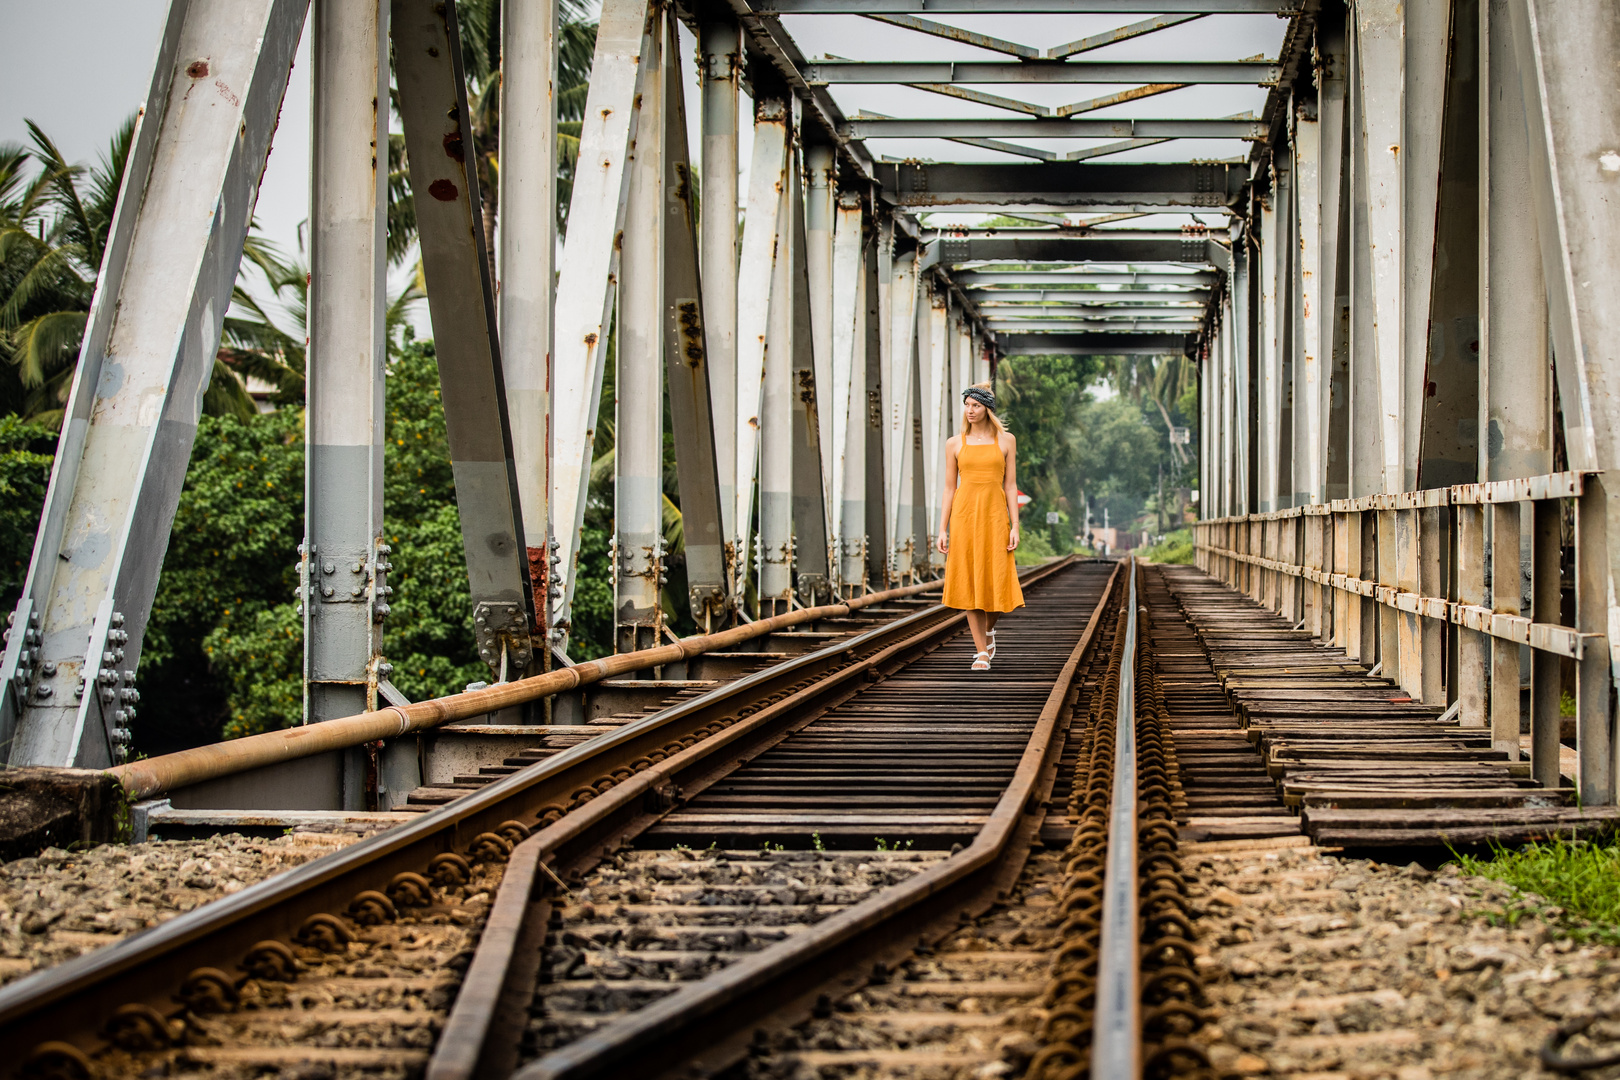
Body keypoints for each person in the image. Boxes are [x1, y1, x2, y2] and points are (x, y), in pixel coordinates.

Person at [937, 382, 1025, 670]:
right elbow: (949, 489)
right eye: (967, 405)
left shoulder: (1006, 440)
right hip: (964, 518)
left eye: (975, 405)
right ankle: (981, 653)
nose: (970, 410)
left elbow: (1010, 486)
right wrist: (942, 529)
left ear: (987, 408)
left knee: (997, 580)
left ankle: (988, 630)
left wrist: (1015, 525)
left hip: (995, 516)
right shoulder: (955, 443)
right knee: (970, 582)